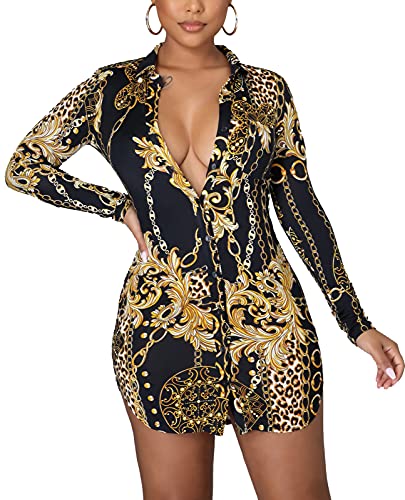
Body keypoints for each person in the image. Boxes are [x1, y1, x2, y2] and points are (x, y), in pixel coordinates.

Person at [5, 1, 404, 499]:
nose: (194, 6)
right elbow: (25, 166)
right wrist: (119, 207)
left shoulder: (266, 91)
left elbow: (300, 206)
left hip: (272, 329)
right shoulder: (110, 90)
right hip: (160, 327)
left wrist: (356, 323)